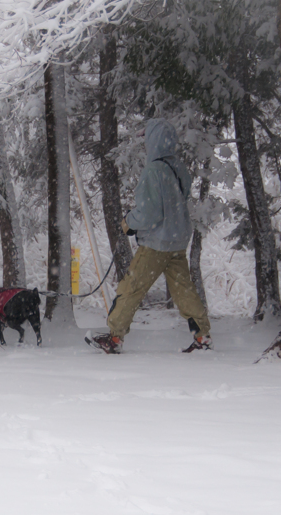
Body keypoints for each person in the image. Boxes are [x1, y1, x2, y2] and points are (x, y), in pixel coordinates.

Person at [87, 118, 212, 354]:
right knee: (183, 290)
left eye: (146, 139)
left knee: (131, 288)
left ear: (154, 141)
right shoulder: (179, 167)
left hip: (156, 243)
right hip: (177, 240)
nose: (144, 144)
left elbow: (149, 212)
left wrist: (129, 223)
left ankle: (115, 338)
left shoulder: (153, 170)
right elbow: (178, 200)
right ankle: (203, 335)